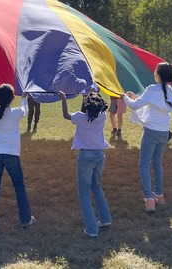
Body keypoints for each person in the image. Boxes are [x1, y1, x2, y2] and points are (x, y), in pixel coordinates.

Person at [123, 62, 172, 212]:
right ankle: (159, 196)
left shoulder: (152, 89)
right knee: (157, 163)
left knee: (143, 164)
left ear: (158, 75)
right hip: (164, 132)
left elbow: (136, 106)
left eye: (155, 70)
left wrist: (125, 98)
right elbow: (149, 102)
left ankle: (149, 200)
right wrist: (136, 97)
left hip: (151, 132)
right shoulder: (170, 91)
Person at [59, 90, 112, 237]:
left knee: (83, 193)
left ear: (86, 106)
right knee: (96, 186)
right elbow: (98, 106)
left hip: (85, 156)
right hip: (99, 155)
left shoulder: (80, 117)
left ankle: (91, 229)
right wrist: (90, 96)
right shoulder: (102, 116)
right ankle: (105, 218)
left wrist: (64, 98)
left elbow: (66, 115)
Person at [0, 84, 35, 228]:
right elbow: (24, 110)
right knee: (19, 186)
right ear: (12, 98)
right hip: (11, 154)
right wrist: (23, 98)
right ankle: (25, 219)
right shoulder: (16, 112)